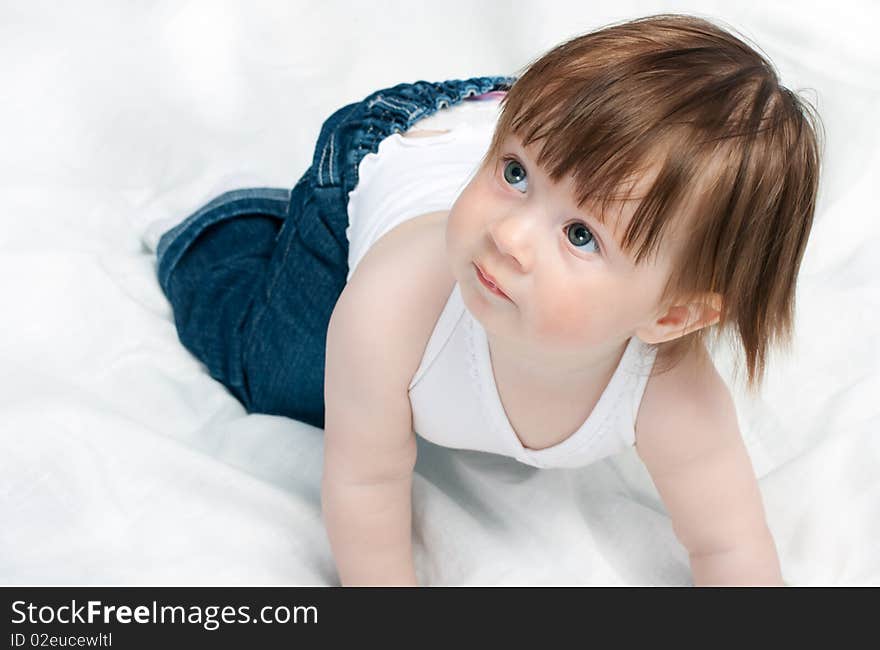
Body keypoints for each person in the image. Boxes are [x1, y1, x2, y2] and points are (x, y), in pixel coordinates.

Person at [146, 13, 823, 586]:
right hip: (387, 154)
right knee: (282, 379)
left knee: (560, 174)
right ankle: (224, 222)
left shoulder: (674, 394)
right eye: (515, 176)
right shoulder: (395, 301)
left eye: (581, 235)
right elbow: (366, 482)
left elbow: (731, 547)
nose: (508, 235)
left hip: (513, 128)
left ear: (670, 316)